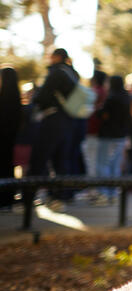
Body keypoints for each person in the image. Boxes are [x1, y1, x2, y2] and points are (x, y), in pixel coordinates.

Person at [29, 49, 79, 203]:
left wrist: (35, 99)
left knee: (39, 158)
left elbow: (43, 96)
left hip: (53, 119)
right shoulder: (73, 74)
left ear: (57, 57)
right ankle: (60, 196)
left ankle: (28, 196)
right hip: (68, 120)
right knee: (61, 160)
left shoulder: (57, 72)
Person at [96, 75, 132, 199]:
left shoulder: (111, 98)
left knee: (103, 164)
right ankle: (113, 193)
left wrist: (99, 110)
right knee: (115, 165)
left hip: (108, 136)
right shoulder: (126, 97)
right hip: (121, 136)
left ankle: (104, 193)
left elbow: (103, 114)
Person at [0, 66, 22, 208]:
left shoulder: (4, 98)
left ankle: (4, 199)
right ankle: (8, 197)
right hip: (11, 140)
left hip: (3, 139)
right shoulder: (16, 98)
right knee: (8, 167)